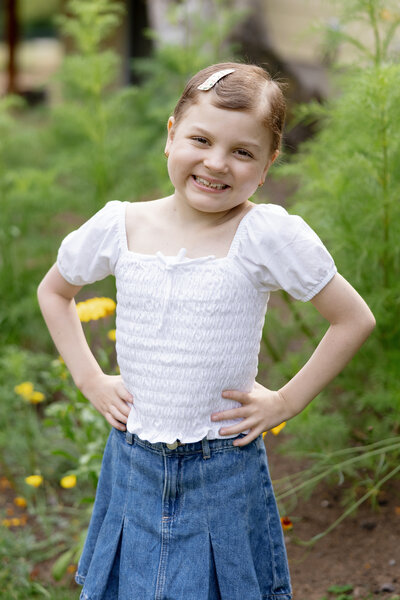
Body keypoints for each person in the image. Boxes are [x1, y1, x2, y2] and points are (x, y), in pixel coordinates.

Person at [37, 62, 375, 600]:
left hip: (223, 468)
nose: (216, 163)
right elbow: (54, 291)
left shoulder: (265, 235)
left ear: (267, 167)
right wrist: (90, 379)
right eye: (201, 139)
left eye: (243, 152)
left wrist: (286, 401)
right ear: (171, 135)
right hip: (132, 460)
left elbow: (353, 318)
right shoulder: (121, 225)